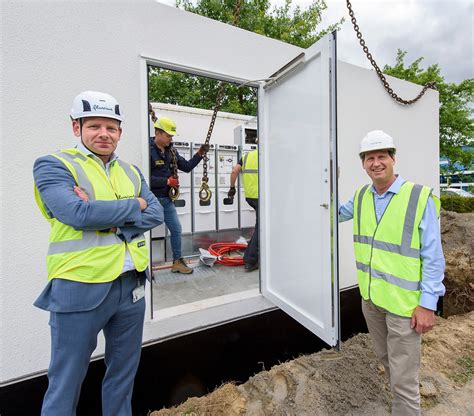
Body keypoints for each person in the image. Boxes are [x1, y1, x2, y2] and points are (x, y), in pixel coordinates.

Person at [33, 91, 163, 416]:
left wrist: (106, 217)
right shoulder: (54, 165)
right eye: (94, 126)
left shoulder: (131, 171)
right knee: (66, 382)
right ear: (76, 127)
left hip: (131, 288)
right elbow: (77, 215)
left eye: (111, 127)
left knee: (122, 377)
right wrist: (135, 205)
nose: (104, 133)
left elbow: (156, 213)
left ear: (120, 132)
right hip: (79, 287)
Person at [339, 130, 445, 416]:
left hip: (404, 306)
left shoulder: (418, 198)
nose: (376, 163)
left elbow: (434, 257)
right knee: (388, 362)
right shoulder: (361, 196)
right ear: (363, 164)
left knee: (404, 379)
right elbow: (333, 212)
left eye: (382, 156)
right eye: (370, 158)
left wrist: (427, 304)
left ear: (393, 159)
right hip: (371, 300)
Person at [149, 116, 208, 274]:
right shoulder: (147, 149)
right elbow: (144, 178)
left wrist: (200, 154)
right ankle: (142, 265)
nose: (170, 139)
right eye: (168, 135)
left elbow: (187, 167)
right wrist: (167, 182)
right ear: (158, 133)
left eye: (172, 136)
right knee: (143, 231)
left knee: (176, 229)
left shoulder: (171, 151)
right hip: (150, 200)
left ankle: (177, 261)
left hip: (166, 200)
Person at [228, 148, 259, 271]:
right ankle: (251, 261)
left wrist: (232, 187)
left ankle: (250, 258)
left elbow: (235, 171)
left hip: (250, 197)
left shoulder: (246, 156)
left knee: (260, 226)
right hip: (262, 196)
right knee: (261, 228)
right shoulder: (267, 154)